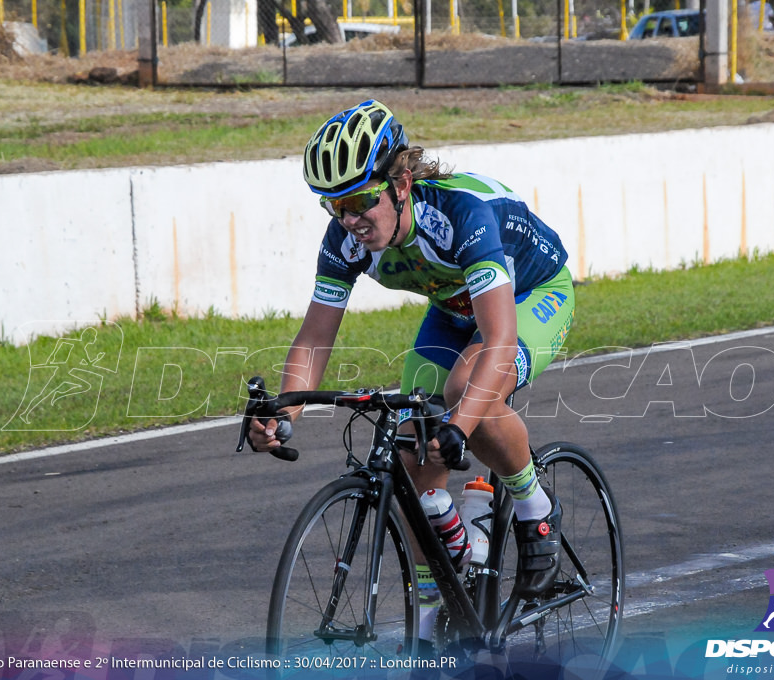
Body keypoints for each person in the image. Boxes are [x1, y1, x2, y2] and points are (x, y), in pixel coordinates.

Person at [247, 99, 576, 649]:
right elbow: (314, 338)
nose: (350, 220)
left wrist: (460, 424)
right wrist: (286, 412)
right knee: (407, 441)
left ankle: (535, 509)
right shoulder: (347, 239)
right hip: (454, 308)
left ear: (400, 183)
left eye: (358, 201)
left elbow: (497, 341)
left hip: (532, 294)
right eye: (334, 207)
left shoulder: (461, 214)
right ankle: (433, 611)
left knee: (465, 390)